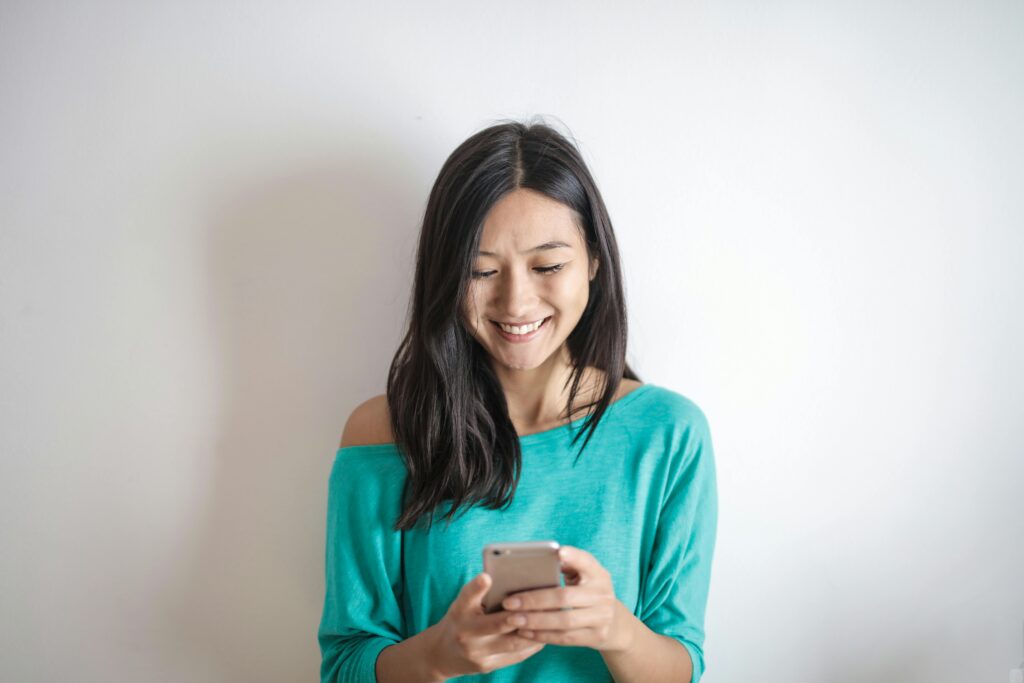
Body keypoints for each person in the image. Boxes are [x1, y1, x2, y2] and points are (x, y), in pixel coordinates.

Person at [318, 118, 718, 682]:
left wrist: (615, 630)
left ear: (595, 264)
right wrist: (438, 655)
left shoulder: (668, 434)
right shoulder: (384, 433)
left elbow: (682, 668)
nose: (516, 300)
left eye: (548, 266)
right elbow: (343, 667)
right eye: (481, 271)